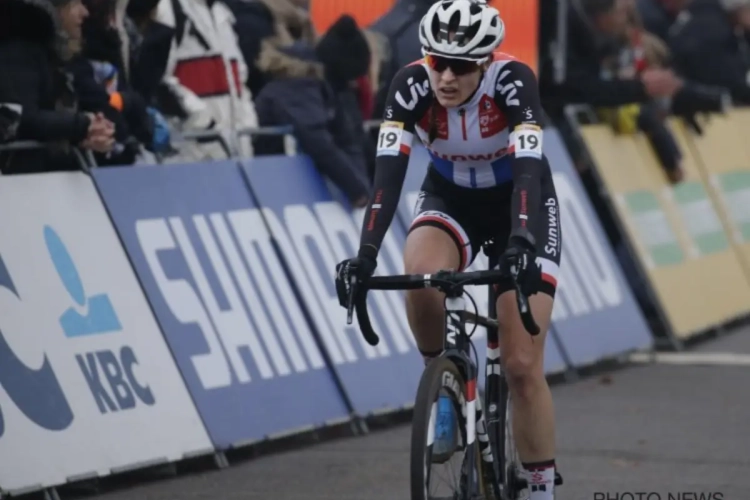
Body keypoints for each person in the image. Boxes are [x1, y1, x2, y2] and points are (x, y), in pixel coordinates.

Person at [334, 0, 562, 498]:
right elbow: (386, 181)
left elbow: (528, 167)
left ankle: (541, 487)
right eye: (438, 61)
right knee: (419, 276)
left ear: (486, 62)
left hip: (518, 204)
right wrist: (365, 255)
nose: (447, 76)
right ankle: (444, 387)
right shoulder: (411, 85)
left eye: (461, 66)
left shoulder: (513, 81)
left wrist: (521, 241)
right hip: (451, 195)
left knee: (522, 366)